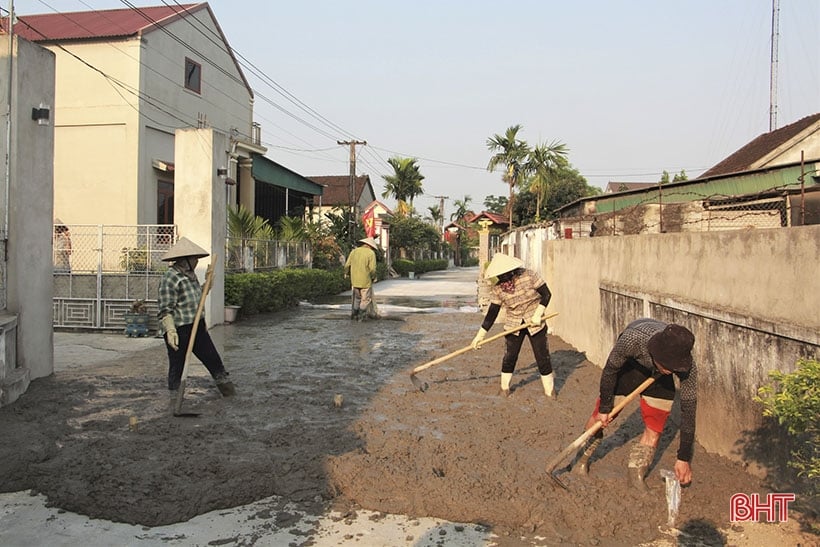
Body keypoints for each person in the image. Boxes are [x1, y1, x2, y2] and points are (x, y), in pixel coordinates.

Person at [572, 318, 697, 490]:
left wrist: (684, 457)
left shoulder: (685, 365)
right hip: (629, 369)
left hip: (660, 381)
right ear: (657, 353)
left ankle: (636, 473)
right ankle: (581, 458)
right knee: (601, 418)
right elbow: (610, 370)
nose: (671, 370)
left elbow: (689, 411)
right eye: (668, 365)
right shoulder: (633, 339)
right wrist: (605, 408)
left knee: (655, 427)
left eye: (674, 368)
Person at [158, 237, 235, 410]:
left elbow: (197, 300)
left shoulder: (190, 276)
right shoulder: (171, 278)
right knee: (177, 367)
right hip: (179, 330)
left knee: (214, 361)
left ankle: (230, 394)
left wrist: (207, 284)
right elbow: (165, 310)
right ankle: (175, 402)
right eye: (194, 259)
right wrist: (171, 331)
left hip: (197, 327)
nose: (196, 261)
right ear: (184, 260)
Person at [471, 253, 555, 398]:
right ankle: (504, 388)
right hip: (513, 323)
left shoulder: (529, 276)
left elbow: (547, 294)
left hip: (535, 322)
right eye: (499, 276)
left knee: (542, 357)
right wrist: (480, 335)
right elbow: (492, 313)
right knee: (510, 356)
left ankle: (550, 391)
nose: (502, 279)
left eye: (504, 275)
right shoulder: (498, 289)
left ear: (511, 270)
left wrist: (538, 314)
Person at [344, 237, 378, 321]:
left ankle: (354, 315)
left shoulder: (354, 251)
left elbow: (347, 265)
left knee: (357, 298)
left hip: (354, 281)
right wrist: (374, 277)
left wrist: (346, 273)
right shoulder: (371, 253)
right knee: (365, 300)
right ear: (370, 246)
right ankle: (361, 316)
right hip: (365, 281)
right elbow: (372, 269)